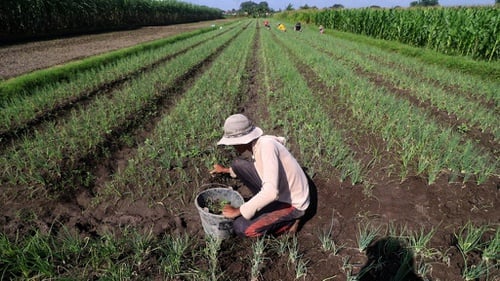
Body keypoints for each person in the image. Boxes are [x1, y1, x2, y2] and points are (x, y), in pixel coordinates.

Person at [210, 114, 310, 237]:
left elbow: (271, 193)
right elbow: (261, 168)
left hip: (292, 202)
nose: (232, 146)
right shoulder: (260, 144)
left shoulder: (267, 147)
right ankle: (264, 207)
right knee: (237, 165)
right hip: (281, 190)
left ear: (241, 140)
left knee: (241, 227)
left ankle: (289, 221)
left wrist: (238, 211)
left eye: (233, 143)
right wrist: (225, 170)